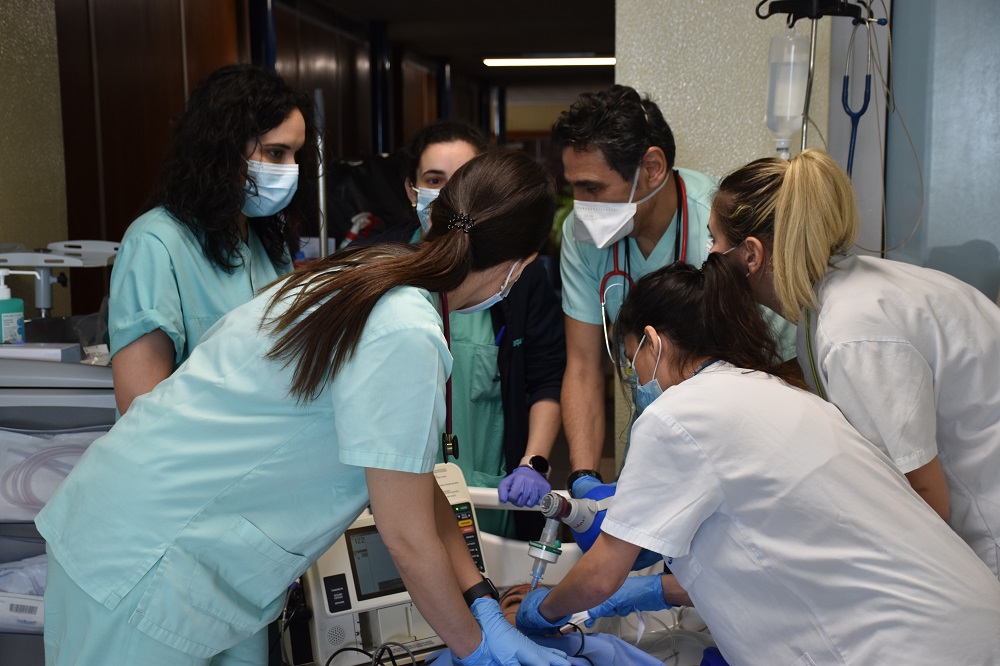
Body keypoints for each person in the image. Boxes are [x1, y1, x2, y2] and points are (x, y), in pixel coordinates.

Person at [35, 150, 569, 666]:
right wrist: (474, 648)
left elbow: (411, 475)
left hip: (185, 555)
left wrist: (479, 597)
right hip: (145, 557)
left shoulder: (367, 273)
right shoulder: (404, 328)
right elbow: (406, 537)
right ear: (518, 266)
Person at [514, 256, 1000, 665]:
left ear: (651, 341)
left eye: (630, 358)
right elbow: (777, 542)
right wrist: (650, 587)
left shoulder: (676, 416)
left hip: (898, 647)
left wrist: (541, 610)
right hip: (965, 620)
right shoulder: (771, 392)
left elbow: (601, 574)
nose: (633, 375)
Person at [707, 149, 1000, 578]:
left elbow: (924, 497)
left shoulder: (852, 331)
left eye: (715, 241)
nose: (710, 254)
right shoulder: (835, 298)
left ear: (751, 254)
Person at [552, 85, 796, 496]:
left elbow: (784, 370)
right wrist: (583, 478)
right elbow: (582, 366)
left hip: (739, 458)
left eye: (592, 188)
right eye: (573, 187)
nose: (580, 205)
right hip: (653, 453)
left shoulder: (724, 228)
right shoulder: (581, 239)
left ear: (652, 167)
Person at [361, 120, 566, 539]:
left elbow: (545, 378)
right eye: (435, 180)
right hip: (397, 487)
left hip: (491, 489)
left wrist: (532, 463)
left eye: (462, 179)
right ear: (410, 189)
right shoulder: (378, 275)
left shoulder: (519, 276)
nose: (451, 194)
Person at [108, 63, 317, 415]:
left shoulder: (266, 241)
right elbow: (139, 409)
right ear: (224, 148)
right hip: (186, 462)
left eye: (296, 154)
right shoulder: (155, 243)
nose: (290, 170)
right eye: (276, 153)